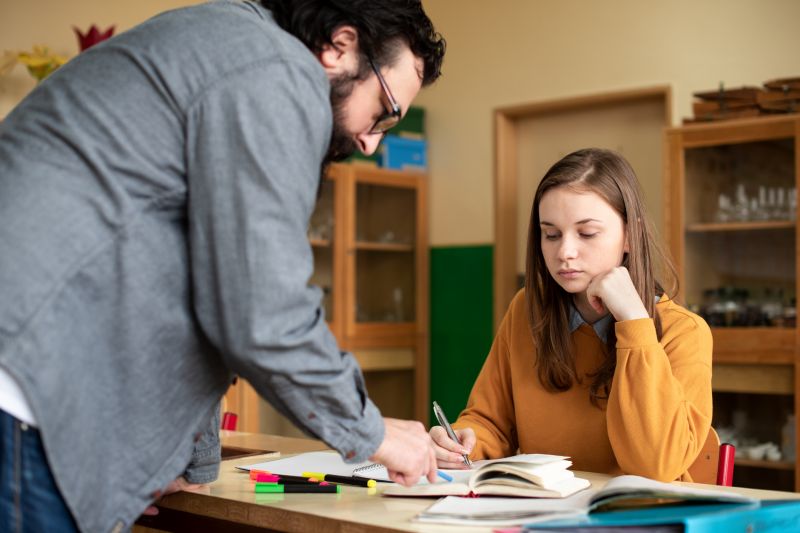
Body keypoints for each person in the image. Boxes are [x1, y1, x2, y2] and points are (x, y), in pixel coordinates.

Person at [0, 1, 445, 531]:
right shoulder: (276, 70)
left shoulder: (229, 45)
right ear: (339, 46)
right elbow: (262, 314)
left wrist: (184, 460)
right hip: (28, 391)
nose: (372, 142)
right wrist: (373, 433)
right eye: (383, 110)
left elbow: (210, 287)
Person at [431, 148, 713, 482]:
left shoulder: (684, 331)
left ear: (629, 235)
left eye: (587, 233)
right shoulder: (525, 310)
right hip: (544, 514)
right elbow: (491, 422)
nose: (564, 252)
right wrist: (463, 440)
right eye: (550, 234)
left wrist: (634, 323)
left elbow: (656, 466)